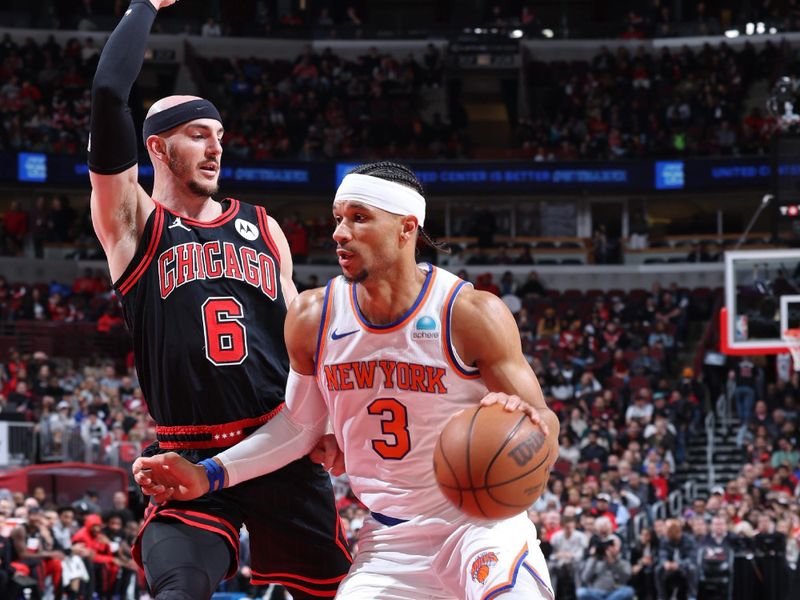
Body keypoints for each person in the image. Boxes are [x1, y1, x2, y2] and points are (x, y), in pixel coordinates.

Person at [134, 161, 561, 599]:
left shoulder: (469, 314)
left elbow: (545, 424)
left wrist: (524, 428)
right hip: (389, 542)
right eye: (338, 218)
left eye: (359, 218)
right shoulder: (312, 317)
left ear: (406, 228)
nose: (339, 232)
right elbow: (298, 427)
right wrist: (208, 474)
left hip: (479, 526)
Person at [88, 2, 351, 598]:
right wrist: (145, 5)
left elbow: (304, 342)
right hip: (186, 452)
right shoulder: (133, 224)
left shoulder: (263, 225)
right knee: (178, 586)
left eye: (220, 137)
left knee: (340, 592)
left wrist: (328, 421)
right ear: (156, 148)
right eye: (198, 135)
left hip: (277, 443)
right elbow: (108, 93)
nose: (215, 148)